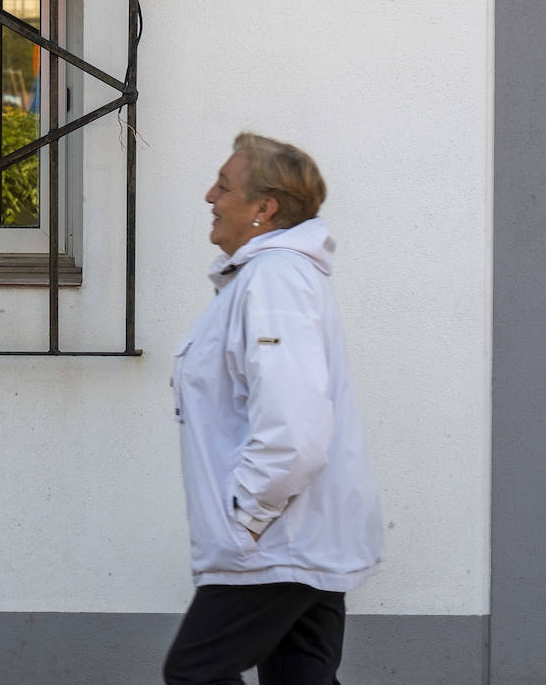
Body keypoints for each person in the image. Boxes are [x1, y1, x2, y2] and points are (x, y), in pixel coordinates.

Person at [164, 133, 383, 685]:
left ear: (265, 208)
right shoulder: (267, 279)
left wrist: (244, 518)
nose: (209, 196)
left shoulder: (275, 280)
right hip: (293, 538)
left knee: (195, 673)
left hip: (276, 542)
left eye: (224, 185)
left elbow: (295, 426)